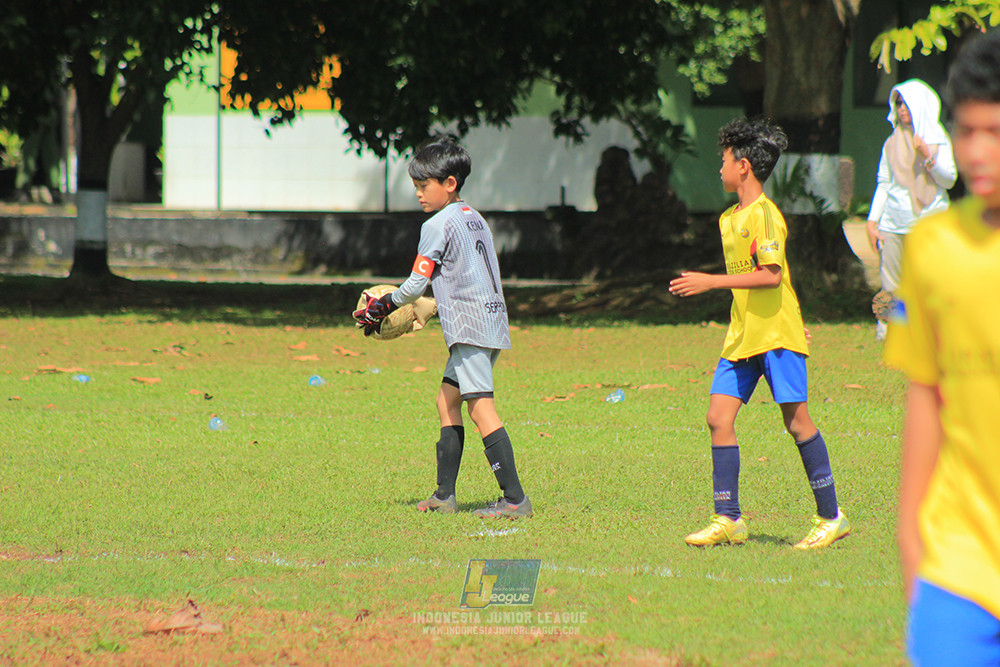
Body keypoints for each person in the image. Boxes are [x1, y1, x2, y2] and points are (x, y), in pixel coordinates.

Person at [668, 118, 849, 550]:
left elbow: (771, 276)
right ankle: (728, 518)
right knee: (717, 417)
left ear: (744, 166)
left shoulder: (766, 216)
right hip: (742, 336)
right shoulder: (730, 219)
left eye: (724, 160)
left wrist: (710, 282)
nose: (720, 168)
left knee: (797, 421)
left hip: (775, 337)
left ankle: (831, 516)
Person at [885, 29, 1000, 665]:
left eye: (994, 131)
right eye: (966, 130)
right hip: (958, 575)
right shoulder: (935, 252)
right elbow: (925, 402)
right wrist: (912, 547)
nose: (976, 151)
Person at [354, 136, 531, 519]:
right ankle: (443, 496)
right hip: (491, 319)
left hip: (470, 328)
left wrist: (385, 305)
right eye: (416, 186)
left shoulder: (436, 224)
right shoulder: (475, 218)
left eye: (423, 186)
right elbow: (469, 276)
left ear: (449, 183)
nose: (418, 194)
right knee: (446, 401)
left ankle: (515, 499)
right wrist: (433, 307)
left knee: (481, 408)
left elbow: (416, 284)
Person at [866, 79, 957, 341]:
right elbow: (884, 183)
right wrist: (873, 221)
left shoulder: (938, 139)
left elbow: (948, 180)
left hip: (930, 221)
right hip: (893, 223)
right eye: (898, 103)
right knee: (892, 282)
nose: (901, 108)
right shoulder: (891, 142)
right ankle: (890, 333)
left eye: (906, 103)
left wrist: (927, 157)